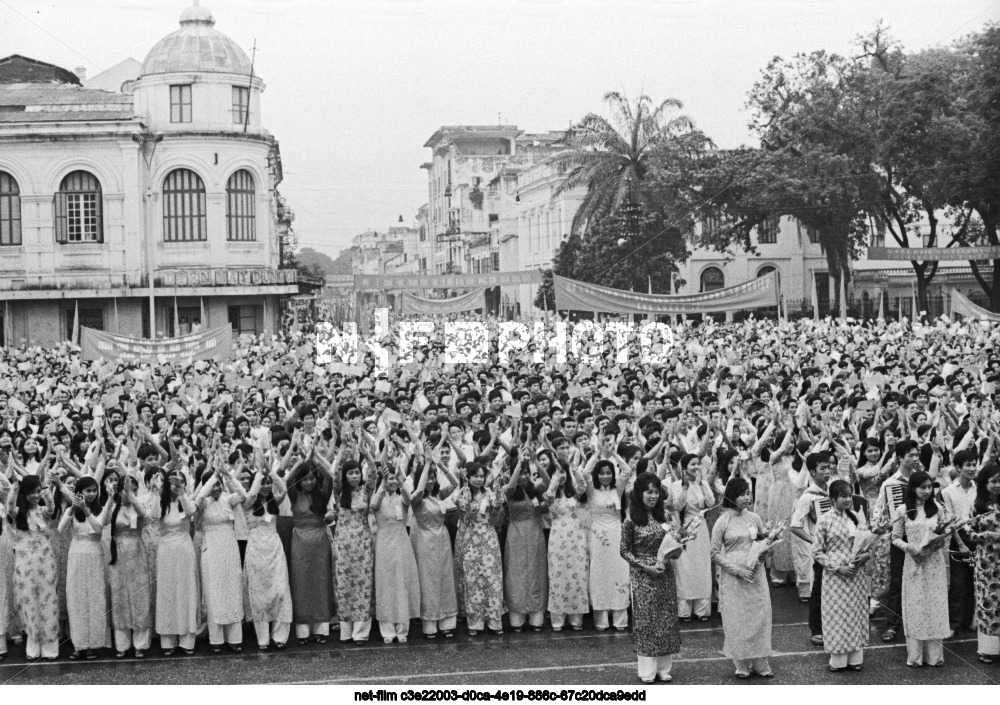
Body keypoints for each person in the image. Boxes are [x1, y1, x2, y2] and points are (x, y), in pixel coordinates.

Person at [620, 471, 681, 684]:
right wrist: (645, 567)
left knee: (665, 619)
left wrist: (676, 550)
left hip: (664, 572)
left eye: (656, 492)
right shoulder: (631, 520)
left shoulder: (664, 517)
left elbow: (673, 546)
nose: (653, 496)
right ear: (640, 494)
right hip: (643, 576)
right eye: (648, 492)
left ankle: (664, 668)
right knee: (647, 621)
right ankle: (647, 669)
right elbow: (624, 550)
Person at [711, 476, 774, 679]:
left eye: (748, 493)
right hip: (734, 577)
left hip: (756, 574)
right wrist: (737, 571)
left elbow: (765, 545)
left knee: (759, 615)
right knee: (737, 618)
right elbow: (714, 553)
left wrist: (764, 553)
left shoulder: (755, 518)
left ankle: (761, 661)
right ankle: (741, 663)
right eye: (742, 494)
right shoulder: (723, 521)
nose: (747, 497)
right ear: (731, 496)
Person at [891, 470, 950, 667]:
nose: (926, 491)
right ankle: (915, 657)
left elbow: (945, 532)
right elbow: (895, 538)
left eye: (929, 487)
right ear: (913, 489)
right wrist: (910, 548)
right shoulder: (903, 510)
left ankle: (935, 657)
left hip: (934, 563)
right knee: (916, 606)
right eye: (922, 487)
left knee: (935, 605)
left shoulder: (938, 508)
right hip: (914, 562)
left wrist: (939, 543)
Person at [813, 479, 871, 673]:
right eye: (843, 496)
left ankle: (856, 657)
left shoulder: (855, 516)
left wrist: (866, 556)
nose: (848, 499)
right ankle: (838, 659)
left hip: (856, 573)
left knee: (856, 612)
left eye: (849, 495)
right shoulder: (825, 520)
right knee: (837, 614)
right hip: (835, 575)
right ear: (832, 499)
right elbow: (817, 551)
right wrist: (837, 567)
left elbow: (867, 544)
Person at [195, 462, 247, 653]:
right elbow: (200, 496)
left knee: (232, 591)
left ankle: (234, 638)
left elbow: (244, 495)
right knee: (213, 593)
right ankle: (216, 639)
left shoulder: (228, 499)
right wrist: (213, 476)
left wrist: (228, 476)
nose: (216, 488)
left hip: (229, 548)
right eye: (213, 485)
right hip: (211, 550)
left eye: (218, 484)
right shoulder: (201, 503)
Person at [59, 475, 112, 659]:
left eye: (94, 490)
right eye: (87, 490)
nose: (91, 494)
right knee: (76, 598)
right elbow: (60, 528)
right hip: (76, 554)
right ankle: (79, 644)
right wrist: (74, 507)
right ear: (79, 492)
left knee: (94, 597)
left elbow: (98, 528)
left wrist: (86, 510)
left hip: (95, 553)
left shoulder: (101, 509)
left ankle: (94, 644)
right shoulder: (73, 509)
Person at [287, 450, 336, 645]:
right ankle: (303, 631)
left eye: (312, 479)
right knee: (301, 582)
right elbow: (289, 478)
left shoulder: (322, 494)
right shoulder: (294, 494)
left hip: (320, 540)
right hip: (299, 540)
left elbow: (330, 476)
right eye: (305, 480)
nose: (309, 483)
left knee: (321, 581)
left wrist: (315, 459)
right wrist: (302, 462)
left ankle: (321, 629)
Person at [243, 464, 293, 650]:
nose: (265, 486)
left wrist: (270, 471)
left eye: (267, 483)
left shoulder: (275, 501)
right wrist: (258, 475)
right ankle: (262, 639)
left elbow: (283, 488)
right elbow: (252, 494)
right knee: (259, 593)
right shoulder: (248, 502)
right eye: (262, 483)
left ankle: (280, 636)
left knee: (280, 590)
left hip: (274, 547)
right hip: (255, 549)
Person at [410, 450, 460, 639]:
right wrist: (426, 466)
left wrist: (440, 465)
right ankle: (430, 624)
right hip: (425, 539)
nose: (431, 481)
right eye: (428, 478)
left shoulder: (439, 495)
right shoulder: (416, 499)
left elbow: (455, 483)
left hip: (443, 539)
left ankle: (447, 622)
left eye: (432, 477)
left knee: (445, 578)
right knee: (428, 581)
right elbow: (421, 490)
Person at [371, 459, 421, 644]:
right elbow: (373, 504)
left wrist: (400, 478)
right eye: (389, 478)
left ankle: (402, 628)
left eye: (394, 479)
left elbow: (410, 498)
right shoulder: (379, 496)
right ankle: (387, 629)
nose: (392, 482)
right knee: (385, 584)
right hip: (384, 542)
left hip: (401, 542)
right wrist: (382, 482)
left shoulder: (402, 499)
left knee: (402, 583)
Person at [330, 451, 376, 644]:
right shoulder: (339, 492)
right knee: (344, 585)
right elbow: (335, 473)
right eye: (350, 473)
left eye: (357, 472)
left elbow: (373, 471)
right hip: (342, 544)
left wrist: (365, 452)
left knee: (363, 585)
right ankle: (346, 631)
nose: (355, 476)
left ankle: (361, 632)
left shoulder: (366, 490)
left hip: (364, 543)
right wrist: (341, 449)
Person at [12, 475, 60, 660]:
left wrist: (45, 487)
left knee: (49, 603)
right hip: (24, 565)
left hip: (46, 563)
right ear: (24, 494)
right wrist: (15, 489)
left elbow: (51, 506)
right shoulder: (17, 513)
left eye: (37, 492)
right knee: (29, 603)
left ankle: (50, 647)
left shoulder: (43, 512)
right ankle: (32, 645)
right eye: (31, 492)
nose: (35, 495)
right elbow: (9, 506)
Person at [455, 462, 505, 636]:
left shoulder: (489, 493)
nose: (479, 479)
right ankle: (475, 622)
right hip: (470, 540)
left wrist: (497, 480)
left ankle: (494, 621)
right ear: (468, 477)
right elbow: (464, 509)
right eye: (475, 475)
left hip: (489, 540)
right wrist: (464, 485)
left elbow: (498, 505)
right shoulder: (463, 492)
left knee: (492, 580)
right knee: (473, 581)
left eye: (481, 476)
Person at [502, 450, 548, 632]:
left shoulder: (535, 489)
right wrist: (519, 464)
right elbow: (511, 486)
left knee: (537, 571)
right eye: (520, 473)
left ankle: (536, 617)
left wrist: (535, 462)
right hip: (516, 534)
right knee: (516, 572)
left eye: (526, 473)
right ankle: (517, 617)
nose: (523, 476)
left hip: (536, 534)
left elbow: (546, 480)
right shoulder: (510, 491)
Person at [790, 452, 833, 646]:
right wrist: (814, 540)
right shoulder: (808, 497)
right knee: (819, 589)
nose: (827, 471)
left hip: (837, 548)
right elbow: (795, 526)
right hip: (821, 550)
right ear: (813, 472)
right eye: (823, 468)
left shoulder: (833, 490)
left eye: (829, 467)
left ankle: (832, 625)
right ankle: (816, 628)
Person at [155, 471, 199, 656]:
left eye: (180, 481)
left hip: (184, 547)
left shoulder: (186, 500)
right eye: (172, 482)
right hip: (166, 549)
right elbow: (153, 515)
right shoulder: (161, 502)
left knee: (186, 589)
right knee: (167, 591)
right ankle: (168, 639)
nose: (176, 484)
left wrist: (182, 492)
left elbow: (191, 511)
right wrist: (159, 491)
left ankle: (187, 640)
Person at [585, 452, 630, 631]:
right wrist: (597, 453)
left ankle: (620, 619)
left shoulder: (617, 490)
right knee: (599, 574)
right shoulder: (591, 491)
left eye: (608, 473)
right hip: (597, 537)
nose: (605, 476)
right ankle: (601, 620)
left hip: (617, 534)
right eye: (601, 473)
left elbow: (626, 470)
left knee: (619, 572)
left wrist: (614, 454)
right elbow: (585, 473)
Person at [544, 455, 589, 632]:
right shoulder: (549, 492)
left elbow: (584, 485)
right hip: (557, 538)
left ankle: (576, 619)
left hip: (577, 537)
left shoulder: (574, 491)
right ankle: (557, 619)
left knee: (577, 575)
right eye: (557, 472)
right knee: (558, 576)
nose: (561, 475)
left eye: (563, 472)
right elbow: (548, 496)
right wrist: (554, 481)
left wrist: (573, 469)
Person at [670, 452, 717, 622]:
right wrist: (684, 487)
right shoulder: (676, 485)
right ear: (684, 467)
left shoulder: (702, 483)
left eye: (698, 464)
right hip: (684, 528)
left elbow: (711, 503)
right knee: (685, 567)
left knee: (702, 566)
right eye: (692, 464)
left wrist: (704, 484)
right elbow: (677, 505)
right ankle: (684, 611)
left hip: (702, 529)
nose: (696, 467)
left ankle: (702, 610)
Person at [966, 462, 1000, 664]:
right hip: (987, 564)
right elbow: (968, 533)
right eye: (993, 481)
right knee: (988, 604)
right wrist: (986, 535)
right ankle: (988, 649)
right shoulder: (977, 506)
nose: (997, 485)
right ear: (984, 483)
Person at [942, 449, 978, 635]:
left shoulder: (978, 489)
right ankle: (953, 624)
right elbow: (949, 520)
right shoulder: (948, 492)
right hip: (958, 540)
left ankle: (968, 621)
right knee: (957, 585)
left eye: (974, 464)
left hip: (977, 538)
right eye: (968, 465)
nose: (972, 469)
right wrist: (960, 543)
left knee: (974, 582)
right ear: (958, 467)